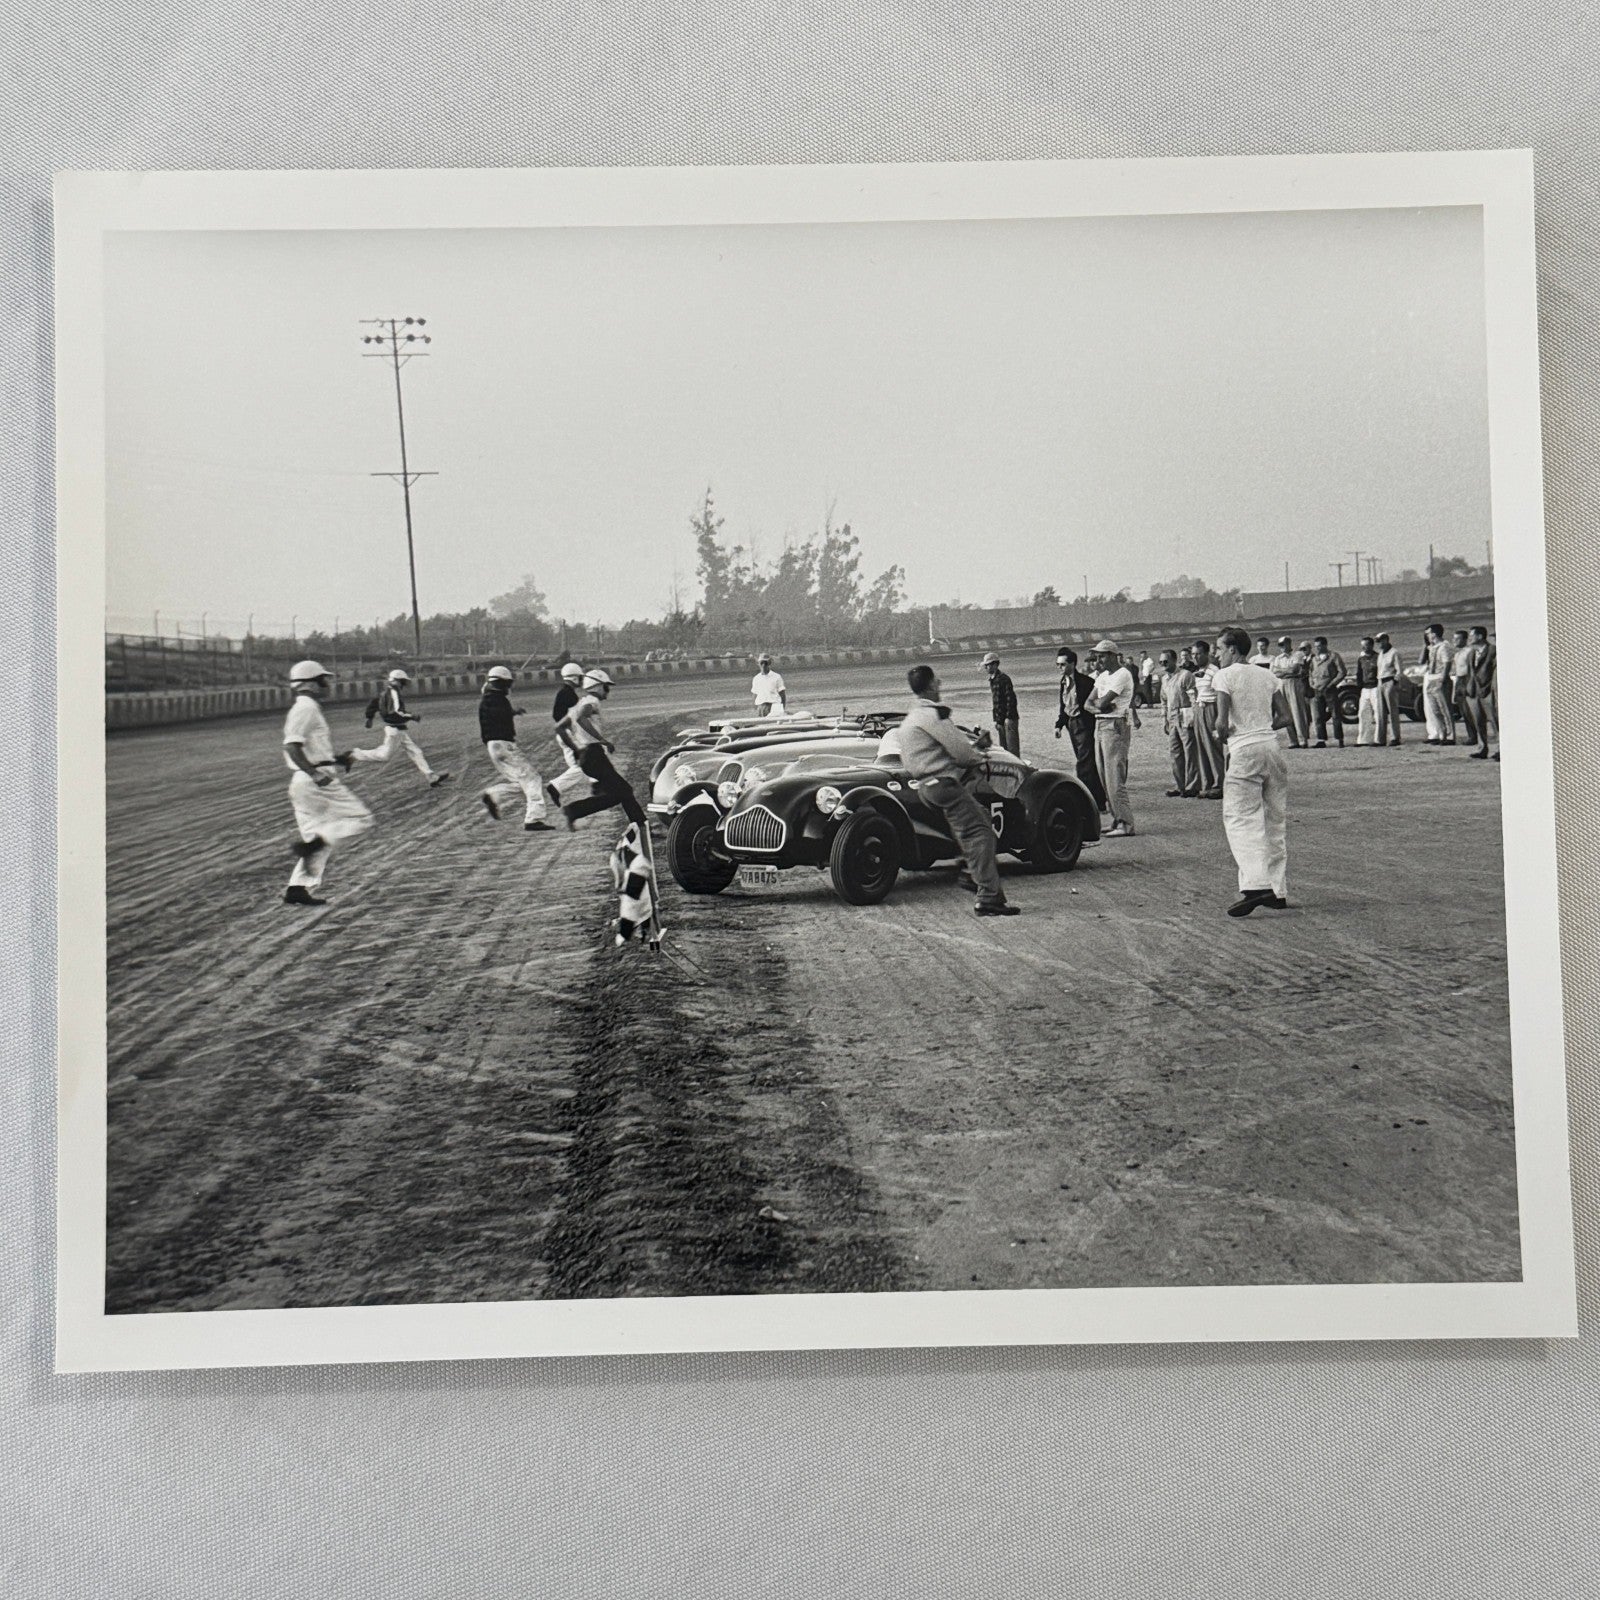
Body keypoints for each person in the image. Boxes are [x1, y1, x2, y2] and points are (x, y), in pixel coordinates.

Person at [899, 663, 1016, 916]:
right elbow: (962, 755)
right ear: (931, 685)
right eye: (937, 682)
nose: (939, 685)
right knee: (981, 832)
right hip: (944, 785)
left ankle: (969, 869)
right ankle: (987, 895)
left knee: (976, 821)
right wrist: (981, 753)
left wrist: (975, 748)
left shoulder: (910, 719)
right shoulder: (935, 715)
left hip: (925, 787)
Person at [280, 659, 372, 907]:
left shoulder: (306, 707)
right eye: (323, 679)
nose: (327, 683)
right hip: (314, 782)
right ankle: (313, 846)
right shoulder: (306, 708)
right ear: (310, 683)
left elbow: (310, 748)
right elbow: (291, 745)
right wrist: (315, 773)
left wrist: (335, 759)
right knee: (361, 819)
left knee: (315, 838)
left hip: (304, 781)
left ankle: (297, 888)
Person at [1212, 627, 1291, 917]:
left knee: (1240, 818)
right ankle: (1277, 890)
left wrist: (1224, 735)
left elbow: (1221, 723)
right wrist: (1260, 730)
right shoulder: (1268, 675)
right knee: (1274, 821)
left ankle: (1257, 886)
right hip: (1271, 748)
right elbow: (1285, 717)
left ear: (1232, 649)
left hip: (1244, 751)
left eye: (1219, 649)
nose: (1217, 654)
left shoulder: (1225, 675)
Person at [558, 669, 649, 829]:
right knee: (624, 791)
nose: (608, 691)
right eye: (606, 687)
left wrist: (576, 748)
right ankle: (573, 810)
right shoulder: (592, 701)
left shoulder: (579, 702)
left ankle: (574, 811)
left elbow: (560, 727)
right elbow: (581, 718)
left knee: (619, 793)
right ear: (597, 686)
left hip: (587, 756)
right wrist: (602, 740)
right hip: (594, 755)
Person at [477, 665, 553, 831]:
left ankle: (493, 794)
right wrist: (512, 711)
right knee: (533, 778)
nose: (509, 687)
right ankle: (534, 818)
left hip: (492, 747)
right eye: (507, 684)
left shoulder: (487, 699)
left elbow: (496, 713)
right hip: (505, 745)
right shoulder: (498, 699)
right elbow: (500, 712)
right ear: (502, 683)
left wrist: (513, 712)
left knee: (523, 783)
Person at [347, 668, 451, 786]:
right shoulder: (393, 692)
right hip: (394, 729)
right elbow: (396, 711)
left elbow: (374, 703)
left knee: (416, 752)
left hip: (398, 729)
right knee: (384, 756)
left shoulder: (385, 692)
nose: (403, 684)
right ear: (397, 681)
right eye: (402, 681)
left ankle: (431, 777)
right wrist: (412, 716)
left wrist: (369, 717)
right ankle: (355, 754)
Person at [1086, 638, 1136, 836]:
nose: (1099, 660)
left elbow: (1102, 701)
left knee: (1115, 776)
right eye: (1097, 656)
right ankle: (1117, 819)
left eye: (1102, 656)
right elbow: (1089, 704)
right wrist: (1099, 706)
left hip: (1115, 725)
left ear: (1113, 656)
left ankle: (1126, 823)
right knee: (1104, 776)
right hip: (1101, 723)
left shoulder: (1122, 674)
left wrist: (1100, 705)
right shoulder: (1103, 676)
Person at [1053, 647, 1107, 810]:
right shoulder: (1063, 682)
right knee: (1086, 762)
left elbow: (1094, 704)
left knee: (1084, 764)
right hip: (1071, 724)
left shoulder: (1085, 682)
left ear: (1072, 664)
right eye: (1057, 664)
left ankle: (1088, 801)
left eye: (1062, 664)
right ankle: (1099, 800)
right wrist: (1059, 725)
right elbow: (1064, 706)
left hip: (1083, 724)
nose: (1059, 667)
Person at [1158, 647, 1199, 798]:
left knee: (1190, 751)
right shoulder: (1164, 679)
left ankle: (1192, 785)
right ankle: (1180, 785)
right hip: (1172, 717)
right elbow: (1163, 700)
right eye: (1160, 662)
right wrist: (1164, 719)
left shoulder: (1185, 675)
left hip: (1185, 715)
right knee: (1174, 752)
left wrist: (1194, 717)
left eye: (1165, 661)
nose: (1162, 664)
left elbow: (1194, 697)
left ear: (1174, 660)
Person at [1190, 639, 1224, 799]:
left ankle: (1219, 784)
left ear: (1206, 654)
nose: (1195, 657)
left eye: (1198, 654)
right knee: (1201, 748)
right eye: (1193, 654)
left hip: (1211, 708)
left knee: (1213, 747)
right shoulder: (1196, 673)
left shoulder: (1214, 671)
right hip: (1199, 708)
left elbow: (1220, 694)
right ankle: (1206, 784)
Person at [1464, 626, 1500, 761]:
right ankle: (1482, 748)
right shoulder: (1471, 653)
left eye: (1471, 635)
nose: (1469, 638)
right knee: (1478, 722)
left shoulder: (1493, 651)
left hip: (1488, 691)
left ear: (1480, 636)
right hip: (1474, 692)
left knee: (1495, 721)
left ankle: (1500, 749)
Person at [1270, 635, 1310, 748]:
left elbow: (1295, 669)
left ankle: (1303, 739)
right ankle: (1293, 740)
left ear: (1289, 643)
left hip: (1294, 683)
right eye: (1280, 645)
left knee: (1298, 711)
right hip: (1282, 683)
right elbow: (1274, 672)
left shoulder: (1297, 655)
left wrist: (1282, 671)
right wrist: (1287, 671)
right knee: (1285, 711)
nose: (1282, 647)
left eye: (1283, 644)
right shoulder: (1277, 658)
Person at [1306, 636, 1347, 747]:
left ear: (1325, 645)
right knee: (1318, 716)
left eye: (1319, 646)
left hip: (1330, 689)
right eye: (1316, 647)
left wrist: (1332, 684)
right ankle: (1321, 740)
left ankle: (1339, 739)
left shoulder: (1333, 656)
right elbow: (1310, 673)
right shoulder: (1314, 659)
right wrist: (1312, 684)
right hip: (1317, 690)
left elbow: (1342, 672)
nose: (1317, 649)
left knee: (1335, 715)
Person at [1421, 623, 1457, 745]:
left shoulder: (1444, 646)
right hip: (1432, 678)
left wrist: (1443, 679)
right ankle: (1442, 735)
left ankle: (1450, 736)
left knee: (1445, 709)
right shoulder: (1433, 647)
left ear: (1434, 634)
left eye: (1428, 633)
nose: (1427, 636)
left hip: (1439, 677)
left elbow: (1447, 663)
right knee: (1435, 709)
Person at [983, 652, 1020, 755]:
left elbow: (1011, 700)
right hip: (1001, 720)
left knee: (1012, 749)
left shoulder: (1004, 679)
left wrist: (1007, 718)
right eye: (985, 665)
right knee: (1004, 749)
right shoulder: (993, 680)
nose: (986, 667)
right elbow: (996, 702)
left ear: (995, 665)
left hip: (1009, 719)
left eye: (988, 665)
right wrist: (997, 720)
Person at [1450, 628, 1479, 749]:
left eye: (1458, 639)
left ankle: (1475, 736)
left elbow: (1472, 668)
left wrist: (1470, 684)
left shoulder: (1469, 651)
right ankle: (1471, 735)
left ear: (1465, 640)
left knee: (1470, 710)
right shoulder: (1457, 654)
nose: (1454, 641)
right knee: (1463, 711)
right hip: (1459, 681)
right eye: (1454, 638)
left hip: (1467, 679)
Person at [552, 661, 584, 768]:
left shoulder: (564, 692)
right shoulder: (569, 694)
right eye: (580, 677)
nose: (581, 680)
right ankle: (555, 785)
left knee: (577, 767)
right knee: (577, 769)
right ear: (574, 678)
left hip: (564, 733)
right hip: (567, 733)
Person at [1375, 632, 1404, 746]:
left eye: (1381, 641)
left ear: (1386, 640)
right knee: (1381, 712)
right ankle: (1381, 739)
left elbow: (1399, 670)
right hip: (1380, 682)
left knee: (1392, 711)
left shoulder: (1394, 653)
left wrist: (1394, 682)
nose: (1379, 644)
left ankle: (1395, 737)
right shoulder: (1381, 653)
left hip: (1389, 681)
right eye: (1378, 642)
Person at [1352, 637, 1382, 746]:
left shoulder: (1378, 657)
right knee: (1363, 713)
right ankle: (1363, 739)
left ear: (1371, 645)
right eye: (1362, 645)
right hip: (1365, 688)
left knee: (1378, 714)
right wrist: (1359, 686)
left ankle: (1378, 739)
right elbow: (1359, 673)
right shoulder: (1361, 659)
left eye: (1365, 645)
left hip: (1375, 687)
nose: (1363, 647)